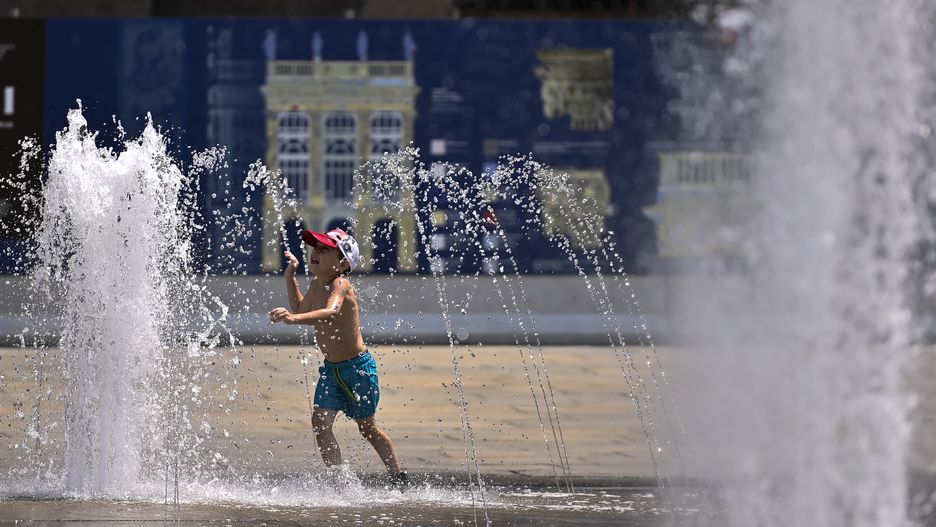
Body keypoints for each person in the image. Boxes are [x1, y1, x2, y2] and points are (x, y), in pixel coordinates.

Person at [269, 228, 407, 488]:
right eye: (315, 248)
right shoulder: (315, 284)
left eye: (324, 249)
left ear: (342, 262)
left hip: (358, 370)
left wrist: (293, 318)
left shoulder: (341, 284)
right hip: (332, 371)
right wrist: (290, 277)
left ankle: (398, 476)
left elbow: (330, 311)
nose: (315, 253)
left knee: (368, 430)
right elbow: (300, 309)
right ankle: (340, 482)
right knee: (320, 422)